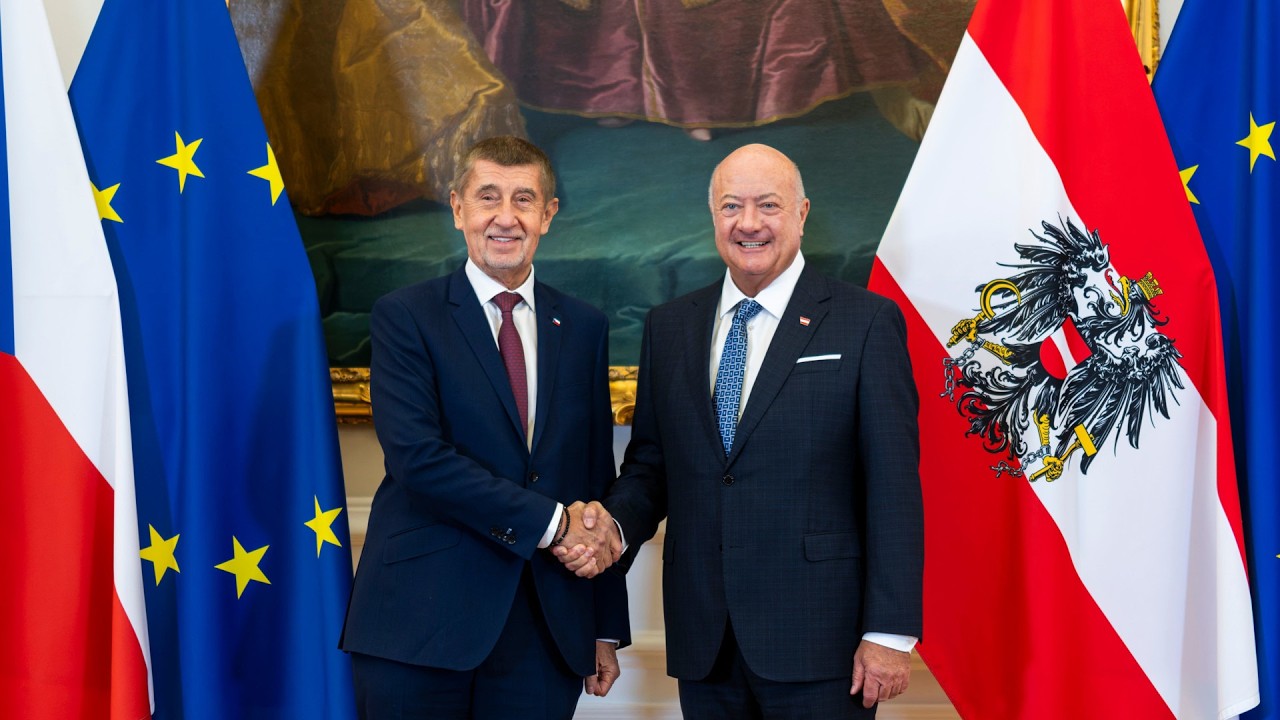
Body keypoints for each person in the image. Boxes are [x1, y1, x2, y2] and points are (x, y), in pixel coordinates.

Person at [561, 143, 923, 717]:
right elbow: (652, 465)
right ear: (713, 216)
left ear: (802, 213)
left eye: (768, 205)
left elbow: (894, 486)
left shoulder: (866, 322)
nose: (749, 223)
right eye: (732, 206)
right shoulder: (670, 326)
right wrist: (611, 528)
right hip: (704, 638)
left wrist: (891, 632)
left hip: (821, 643)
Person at [340, 136, 628, 719]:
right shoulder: (405, 316)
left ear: (547, 215)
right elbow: (418, 458)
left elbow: (596, 478)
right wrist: (551, 523)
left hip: (546, 630)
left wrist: (604, 625)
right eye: (488, 197)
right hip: (419, 623)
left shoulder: (584, 326)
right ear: (457, 209)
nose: (505, 216)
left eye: (524, 199)